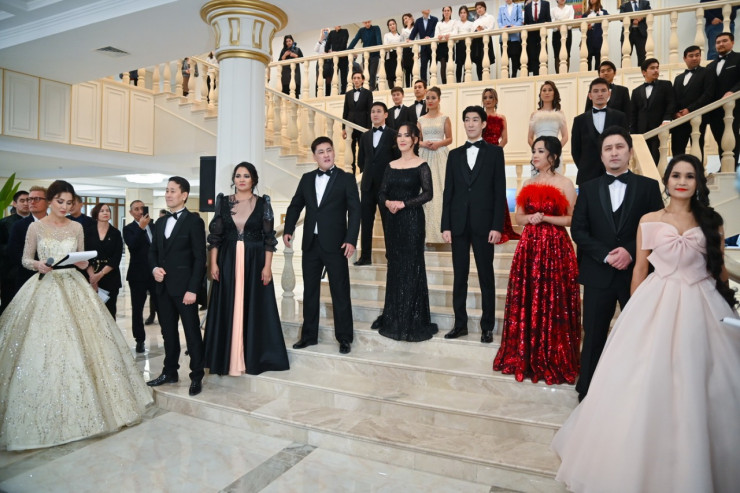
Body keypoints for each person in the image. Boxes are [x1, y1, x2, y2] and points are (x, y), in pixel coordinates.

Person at [552, 154, 740, 493]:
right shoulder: (649, 220)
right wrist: (635, 313)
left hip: (702, 303)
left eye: (690, 176)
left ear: (698, 182)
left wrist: (729, 304)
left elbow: (720, 269)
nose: (682, 181)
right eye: (676, 175)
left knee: (702, 376)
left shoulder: (712, 221)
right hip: (658, 299)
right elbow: (640, 270)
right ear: (666, 181)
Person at [0, 180, 152, 451]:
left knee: (89, 340)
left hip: (74, 284)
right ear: (50, 200)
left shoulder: (77, 227)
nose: (65, 207)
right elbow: (24, 259)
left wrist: (84, 264)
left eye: (69, 203)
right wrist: (38, 265)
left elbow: (82, 258)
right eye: (60, 202)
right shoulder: (36, 227)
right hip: (46, 286)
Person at [571, 126, 664, 402]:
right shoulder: (588, 189)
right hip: (598, 273)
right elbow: (579, 231)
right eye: (608, 148)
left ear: (630, 152)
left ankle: (637, 391)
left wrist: (631, 252)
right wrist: (607, 254)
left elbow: (658, 228)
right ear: (601, 156)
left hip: (636, 275)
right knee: (593, 334)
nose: (614, 153)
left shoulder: (649, 187)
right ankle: (587, 389)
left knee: (639, 334)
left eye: (619, 147)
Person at [493, 136, 580, 383]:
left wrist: (545, 218)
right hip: (529, 248)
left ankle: (552, 355)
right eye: (534, 151)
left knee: (554, 298)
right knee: (529, 296)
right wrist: (530, 219)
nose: (535, 155)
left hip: (556, 248)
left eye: (540, 151)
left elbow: (572, 219)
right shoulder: (528, 183)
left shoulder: (565, 183)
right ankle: (526, 354)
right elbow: (519, 218)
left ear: (553, 155)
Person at [203, 162, 289, 376]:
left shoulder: (263, 203)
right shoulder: (223, 202)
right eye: (238, 175)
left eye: (246, 176)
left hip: (255, 260)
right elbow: (215, 237)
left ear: (254, 180)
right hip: (228, 260)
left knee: (254, 306)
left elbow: (269, 239)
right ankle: (225, 359)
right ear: (234, 179)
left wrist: (267, 267)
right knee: (227, 305)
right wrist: (214, 263)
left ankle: (253, 357)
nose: (241, 179)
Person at [284, 137, 361, 355]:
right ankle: (309, 336)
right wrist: (289, 228)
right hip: (311, 243)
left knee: (340, 291)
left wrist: (351, 239)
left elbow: (355, 211)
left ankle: (344, 337)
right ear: (314, 156)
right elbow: (295, 205)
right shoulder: (307, 178)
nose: (326, 155)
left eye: (329, 150)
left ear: (334, 152)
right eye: (321, 152)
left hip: (337, 244)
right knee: (310, 291)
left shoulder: (346, 179)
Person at [441, 106, 506, 343]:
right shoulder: (454, 155)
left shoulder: (495, 153)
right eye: (467, 120)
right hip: (458, 224)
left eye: (475, 120)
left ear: (484, 124)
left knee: (486, 276)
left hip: (484, 224)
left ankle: (487, 326)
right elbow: (448, 192)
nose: (470, 124)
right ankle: (460, 324)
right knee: (460, 276)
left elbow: (499, 192)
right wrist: (445, 225)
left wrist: (497, 226)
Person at [372, 124, 438, 341]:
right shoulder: (391, 165)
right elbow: (381, 193)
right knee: (395, 266)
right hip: (393, 222)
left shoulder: (422, 165)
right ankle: (394, 315)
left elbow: (428, 194)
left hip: (412, 221)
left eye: (406, 136)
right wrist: (388, 202)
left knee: (412, 266)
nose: (401, 139)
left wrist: (404, 203)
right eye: (399, 135)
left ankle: (412, 317)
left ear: (415, 140)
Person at [147, 176, 206, 397]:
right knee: (168, 333)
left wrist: (193, 289)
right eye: (167, 190)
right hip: (162, 288)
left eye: (173, 191)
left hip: (185, 290)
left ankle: (196, 376)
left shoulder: (194, 222)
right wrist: (154, 268)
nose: (168, 194)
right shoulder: (160, 222)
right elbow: (153, 252)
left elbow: (200, 259)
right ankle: (170, 371)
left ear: (184, 195)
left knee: (192, 333)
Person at [355, 102, 399, 266]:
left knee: (389, 222)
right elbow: (361, 161)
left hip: (387, 187)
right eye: (373, 111)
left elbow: (397, 160)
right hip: (367, 186)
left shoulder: (393, 135)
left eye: (379, 111)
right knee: (366, 222)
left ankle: (391, 256)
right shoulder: (365, 136)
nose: (375, 114)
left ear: (386, 114)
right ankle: (365, 257)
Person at [572, 78, 628, 186]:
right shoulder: (579, 120)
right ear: (590, 95)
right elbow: (575, 149)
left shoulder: (620, 117)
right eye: (596, 91)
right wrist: (585, 167)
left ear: (609, 94)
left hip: (615, 173)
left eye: (603, 90)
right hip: (587, 175)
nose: (600, 94)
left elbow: (625, 144)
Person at [481, 88, 520, 243]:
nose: (488, 100)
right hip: (481, 156)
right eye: (485, 97)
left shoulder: (501, 118)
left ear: (496, 100)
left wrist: (495, 151)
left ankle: (501, 226)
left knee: (497, 188)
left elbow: (505, 138)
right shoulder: (480, 117)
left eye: (491, 97)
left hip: (496, 155)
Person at [417, 86, 452, 245]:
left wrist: (438, 144)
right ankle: (425, 234)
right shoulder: (421, 119)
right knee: (424, 189)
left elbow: (449, 139)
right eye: (428, 98)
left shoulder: (445, 118)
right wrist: (423, 144)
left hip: (440, 155)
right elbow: (416, 139)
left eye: (433, 98)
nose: (430, 101)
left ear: (439, 99)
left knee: (441, 188)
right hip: (424, 155)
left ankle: (443, 231)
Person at [123, 200, 157, 353]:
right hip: (137, 274)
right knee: (137, 309)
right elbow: (132, 245)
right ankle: (139, 340)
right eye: (136, 209)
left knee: (161, 306)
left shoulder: (154, 226)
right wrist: (141, 227)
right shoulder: (128, 229)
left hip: (155, 273)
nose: (140, 211)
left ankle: (167, 336)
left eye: (142, 208)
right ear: (131, 212)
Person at [672, 45, 714, 160]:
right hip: (679, 120)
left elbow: (707, 94)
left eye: (697, 55)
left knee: (697, 148)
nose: (694, 58)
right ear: (684, 58)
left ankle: (698, 171)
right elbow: (674, 98)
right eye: (691, 56)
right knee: (677, 150)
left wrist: (690, 109)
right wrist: (675, 113)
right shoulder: (678, 78)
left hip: (698, 117)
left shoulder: (707, 72)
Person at [630, 58, 674, 165]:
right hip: (642, 133)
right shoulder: (636, 91)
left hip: (659, 129)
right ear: (644, 72)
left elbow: (671, 104)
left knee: (657, 159)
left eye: (657, 68)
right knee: (643, 161)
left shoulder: (666, 85)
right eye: (652, 68)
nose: (656, 70)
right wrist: (633, 134)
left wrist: (667, 120)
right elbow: (633, 114)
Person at [706, 32, 740, 169]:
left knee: (732, 136)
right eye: (718, 42)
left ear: (732, 42)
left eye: (724, 41)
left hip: (734, 107)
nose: (721, 44)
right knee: (719, 138)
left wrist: (733, 91)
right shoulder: (710, 66)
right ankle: (724, 165)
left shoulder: (738, 58)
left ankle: (731, 166)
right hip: (715, 110)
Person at [7, 186, 48, 295]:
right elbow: (13, 252)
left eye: (37, 199)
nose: (31, 202)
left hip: (54, 276)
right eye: (30, 199)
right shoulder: (19, 226)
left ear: (48, 202)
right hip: (27, 277)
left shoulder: (58, 224)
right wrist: (36, 265)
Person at [85, 203, 123, 319]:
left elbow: (116, 258)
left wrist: (100, 275)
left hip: (110, 276)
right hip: (90, 275)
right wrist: (93, 277)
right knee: (92, 313)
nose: (105, 213)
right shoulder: (88, 232)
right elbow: (85, 255)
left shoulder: (116, 233)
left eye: (107, 210)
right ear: (96, 214)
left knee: (110, 312)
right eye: (102, 211)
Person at [0, 190, 29, 315]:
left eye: (28, 200)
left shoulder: (38, 222)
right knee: (9, 305)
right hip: (10, 272)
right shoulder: (4, 223)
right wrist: (15, 249)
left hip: (32, 271)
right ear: (14, 203)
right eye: (22, 201)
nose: (26, 203)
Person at [341, 72, 373, 174]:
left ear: (362, 80)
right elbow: (345, 111)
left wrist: (368, 128)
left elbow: (370, 111)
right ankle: (352, 173)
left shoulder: (368, 93)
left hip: (362, 126)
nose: (356, 80)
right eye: (354, 78)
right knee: (351, 150)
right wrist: (343, 128)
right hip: (350, 126)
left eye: (358, 78)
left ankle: (363, 172)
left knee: (362, 150)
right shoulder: (348, 94)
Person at [528, 81, 568, 150]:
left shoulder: (560, 113)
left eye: (550, 90)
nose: (547, 93)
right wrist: (537, 150)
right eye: (544, 90)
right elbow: (529, 138)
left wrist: (556, 150)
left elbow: (565, 136)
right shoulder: (534, 115)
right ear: (540, 94)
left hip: (554, 152)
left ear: (554, 93)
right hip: (539, 152)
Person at [348, 21, 382, 91]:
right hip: (366, 55)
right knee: (366, 72)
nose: (367, 24)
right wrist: (348, 49)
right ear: (363, 23)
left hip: (375, 54)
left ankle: (372, 88)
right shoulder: (361, 30)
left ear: (371, 21)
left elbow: (379, 40)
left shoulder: (376, 28)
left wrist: (380, 49)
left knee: (372, 73)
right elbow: (355, 40)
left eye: (368, 22)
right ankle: (366, 88)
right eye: (365, 23)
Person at [408, 10, 439, 85]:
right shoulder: (418, 21)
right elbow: (414, 32)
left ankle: (432, 84)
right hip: (423, 48)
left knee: (432, 67)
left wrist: (430, 37)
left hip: (432, 47)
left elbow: (435, 31)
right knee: (423, 67)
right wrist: (410, 39)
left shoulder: (435, 19)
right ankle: (424, 84)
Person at [523, 0, 552, 76]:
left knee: (543, 55)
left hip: (542, 35)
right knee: (533, 56)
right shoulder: (527, 7)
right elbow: (526, 22)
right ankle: (535, 76)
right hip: (531, 36)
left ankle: (543, 76)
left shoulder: (546, 4)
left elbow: (549, 19)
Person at [498, 0, 524, 78]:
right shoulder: (501, 8)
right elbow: (499, 21)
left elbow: (520, 19)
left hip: (514, 35)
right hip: (504, 36)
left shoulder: (518, 6)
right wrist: (503, 27)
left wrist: (514, 26)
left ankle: (514, 75)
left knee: (515, 57)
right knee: (505, 58)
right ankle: (506, 76)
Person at [620, 0, 650, 66]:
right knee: (625, 57)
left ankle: (642, 72)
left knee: (642, 57)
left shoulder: (645, 3)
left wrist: (641, 17)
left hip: (641, 33)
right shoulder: (624, 5)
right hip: (628, 33)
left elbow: (650, 14)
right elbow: (621, 18)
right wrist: (634, 18)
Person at [471, 2, 496, 81]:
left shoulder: (490, 17)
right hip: (477, 42)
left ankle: (486, 80)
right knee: (478, 62)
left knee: (486, 61)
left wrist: (482, 29)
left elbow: (491, 28)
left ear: (484, 7)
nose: (479, 10)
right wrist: (477, 30)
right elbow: (472, 32)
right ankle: (480, 80)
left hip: (485, 40)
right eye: (477, 9)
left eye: (480, 7)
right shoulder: (476, 21)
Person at [584, 0, 608, 71]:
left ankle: (598, 75)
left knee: (598, 61)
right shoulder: (586, 14)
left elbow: (608, 19)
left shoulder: (603, 12)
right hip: (589, 39)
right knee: (588, 61)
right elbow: (580, 27)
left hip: (599, 39)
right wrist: (586, 27)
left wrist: (600, 14)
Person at [434, 6, 455, 85]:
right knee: (443, 64)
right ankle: (444, 82)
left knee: (450, 64)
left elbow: (455, 32)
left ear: (451, 12)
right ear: (443, 12)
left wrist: (449, 34)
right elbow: (436, 34)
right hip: (442, 45)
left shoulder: (453, 22)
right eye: (445, 11)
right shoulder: (439, 23)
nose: (446, 12)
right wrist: (440, 36)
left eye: (448, 10)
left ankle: (450, 81)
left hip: (450, 45)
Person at [551, 0, 574, 73]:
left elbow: (570, 23)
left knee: (567, 55)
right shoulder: (553, 10)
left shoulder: (570, 8)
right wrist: (562, 23)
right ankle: (558, 75)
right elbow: (553, 24)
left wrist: (560, 22)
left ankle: (566, 74)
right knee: (557, 55)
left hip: (567, 33)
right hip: (556, 34)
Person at [326, 26, 350, 94]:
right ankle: (335, 92)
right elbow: (328, 44)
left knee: (344, 76)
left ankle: (343, 92)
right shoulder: (331, 33)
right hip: (335, 58)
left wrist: (336, 52)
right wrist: (327, 51)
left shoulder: (345, 31)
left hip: (343, 57)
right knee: (334, 75)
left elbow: (344, 43)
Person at [279, 35, 303, 99]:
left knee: (295, 93)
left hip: (295, 73)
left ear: (292, 41)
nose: (288, 43)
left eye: (289, 41)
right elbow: (279, 62)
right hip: (285, 75)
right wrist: (285, 55)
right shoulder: (283, 50)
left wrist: (295, 56)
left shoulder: (297, 49)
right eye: (286, 41)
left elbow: (303, 61)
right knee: (285, 94)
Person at [455, 6, 475, 82]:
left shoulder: (471, 23)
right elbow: (455, 33)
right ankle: (458, 81)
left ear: (467, 14)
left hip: (468, 45)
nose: (462, 14)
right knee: (459, 64)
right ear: (459, 14)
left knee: (467, 64)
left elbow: (472, 35)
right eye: (461, 13)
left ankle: (465, 81)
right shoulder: (456, 23)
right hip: (459, 44)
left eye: (464, 12)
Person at [383, 19, 403, 89]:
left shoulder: (400, 36)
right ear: (388, 27)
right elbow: (385, 45)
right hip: (389, 55)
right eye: (390, 25)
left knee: (398, 74)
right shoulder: (386, 35)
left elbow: (402, 46)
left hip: (398, 55)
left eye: (393, 24)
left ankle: (398, 89)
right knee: (389, 75)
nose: (392, 26)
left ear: (396, 24)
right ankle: (391, 90)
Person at [400, 14, 416, 88]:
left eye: (406, 18)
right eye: (404, 19)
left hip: (413, 50)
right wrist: (408, 26)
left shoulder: (415, 28)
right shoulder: (403, 30)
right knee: (407, 70)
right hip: (406, 50)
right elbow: (402, 39)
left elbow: (413, 37)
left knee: (413, 69)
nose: (405, 20)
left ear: (411, 19)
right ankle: (407, 86)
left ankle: (413, 86)